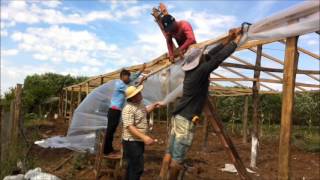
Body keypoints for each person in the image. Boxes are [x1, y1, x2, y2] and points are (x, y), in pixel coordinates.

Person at [156, 28, 244, 180]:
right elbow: (217, 59)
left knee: (169, 153)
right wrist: (237, 41)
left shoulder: (193, 72)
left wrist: (229, 38)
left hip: (178, 118)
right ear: (198, 63)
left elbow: (212, 54)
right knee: (178, 159)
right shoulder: (200, 72)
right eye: (202, 57)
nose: (204, 57)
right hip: (185, 121)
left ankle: (161, 177)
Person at [104, 64, 146, 155]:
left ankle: (109, 149)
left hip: (116, 110)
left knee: (112, 130)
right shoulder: (120, 84)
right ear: (122, 77)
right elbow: (133, 90)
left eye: (128, 77)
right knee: (110, 130)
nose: (128, 79)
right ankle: (106, 150)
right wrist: (141, 81)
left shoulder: (124, 82)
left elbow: (133, 77)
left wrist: (141, 70)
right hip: (114, 110)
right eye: (127, 77)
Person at [122, 85, 158, 180]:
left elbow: (144, 111)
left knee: (131, 166)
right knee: (137, 168)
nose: (140, 93)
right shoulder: (128, 109)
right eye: (138, 93)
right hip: (131, 142)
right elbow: (130, 127)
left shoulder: (139, 104)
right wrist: (144, 137)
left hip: (137, 141)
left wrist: (153, 106)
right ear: (133, 97)